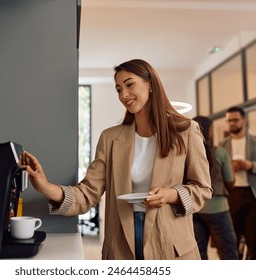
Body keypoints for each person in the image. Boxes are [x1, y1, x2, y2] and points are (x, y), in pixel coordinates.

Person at [21, 59, 212, 260]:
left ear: (151, 85)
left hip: (172, 245)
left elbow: (203, 189)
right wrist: (44, 186)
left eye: (130, 85)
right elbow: (88, 194)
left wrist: (171, 194)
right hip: (122, 241)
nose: (124, 95)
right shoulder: (110, 138)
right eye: (118, 89)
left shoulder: (186, 131)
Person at [219, 106, 256, 260]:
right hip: (231, 195)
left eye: (235, 120)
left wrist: (251, 165)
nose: (232, 123)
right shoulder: (222, 145)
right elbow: (216, 171)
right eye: (229, 120)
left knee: (255, 243)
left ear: (244, 120)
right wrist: (228, 167)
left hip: (253, 195)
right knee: (230, 242)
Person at [192, 116, 238, 260]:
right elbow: (230, 182)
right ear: (210, 131)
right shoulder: (220, 152)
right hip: (217, 207)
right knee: (228, 253)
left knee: (198, 254)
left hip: (194, 208)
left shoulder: (186, 152)